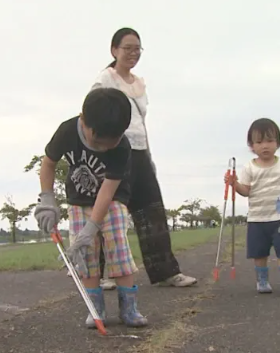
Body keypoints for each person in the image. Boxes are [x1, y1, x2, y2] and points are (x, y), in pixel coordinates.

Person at [90, 27, 196, 290]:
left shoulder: (140, 84)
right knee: (109, 213)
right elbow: (92, 113)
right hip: (114, 151)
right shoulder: (105, 79)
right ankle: (102, 274)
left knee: (153, 211)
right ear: (114, 50)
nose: (133, 53)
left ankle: (165, 272)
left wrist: (149, 155)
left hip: (139, 152)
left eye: (137, 48)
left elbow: (142, 122)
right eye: (127, 48)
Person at [33, 87, 147, 328]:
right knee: (85, 253)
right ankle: (95, 309)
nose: (104, 148)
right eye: (98, 143)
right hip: (78, 200)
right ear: (83, 120)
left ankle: (129, 308)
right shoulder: (67, 130)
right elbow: (48, 163)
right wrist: (47, 199)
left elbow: (108, 189)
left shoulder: (122, 147)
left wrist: (93, 225)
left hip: (112, 199)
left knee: (118, 245)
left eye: (111, 143)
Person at [224, 118, 280, 296]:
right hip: (257, 219)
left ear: (278, 142)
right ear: (251, 146)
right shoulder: (249, 168)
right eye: (259, 142)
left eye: (270, 140)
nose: (265, 146)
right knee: (259, 253)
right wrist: (234, 184)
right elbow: (245, 191)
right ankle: (262, 281)